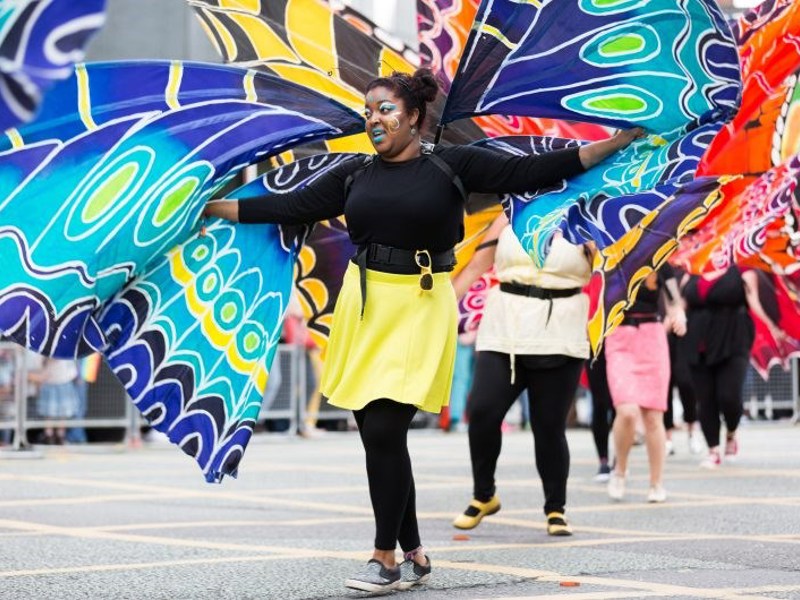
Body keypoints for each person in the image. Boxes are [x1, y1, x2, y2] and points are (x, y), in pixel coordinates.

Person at [204, 68, 640, 593]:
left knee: (387, 431)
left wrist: (607, 147)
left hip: (419, 304)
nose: (374, 119)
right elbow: (287, 206)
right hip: (364, 307)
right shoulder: (353, 174)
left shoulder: (453, 165)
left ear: (413, 117)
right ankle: (413, 551)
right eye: (369, 111)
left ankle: (384, 559)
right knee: (376, 437)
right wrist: (207, 208)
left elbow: (531, 172)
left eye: (385, 109)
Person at [449, 213, 594, 536]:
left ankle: (556, 509)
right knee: (483, 412)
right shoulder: (509, 213)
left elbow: (612, 268)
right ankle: (483, 495)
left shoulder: (587, 214)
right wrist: (436, 309)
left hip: (560, 332)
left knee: (548, 427)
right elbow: (475, 266)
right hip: (504, 330)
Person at [681, 267, 779, 468]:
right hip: (698, 341)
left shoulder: (743, 271)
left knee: (729, 396)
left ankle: (732, 433)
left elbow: (755, 303)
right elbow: (680, 304)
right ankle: (714, 450)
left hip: (734, 339)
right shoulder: (692, 270)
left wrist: (774, 328)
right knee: (705, 399)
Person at [605, 266, 686, 503]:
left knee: (653, 415)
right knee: (627, 411)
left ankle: (656, 482)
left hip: (652, 335)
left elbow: (674, 302)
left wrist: (679, 316)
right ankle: (620, 469)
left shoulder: (659, 258)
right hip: (619, 335)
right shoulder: (611, 254)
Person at [29, 357, 81, 445]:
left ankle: (60, 435)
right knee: (49, 413)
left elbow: (72, 366)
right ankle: (48, 435)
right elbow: (40, 363)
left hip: (64, 380)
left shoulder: (68, 350)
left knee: (64, 412)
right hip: (49, 381)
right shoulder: (46, 349)